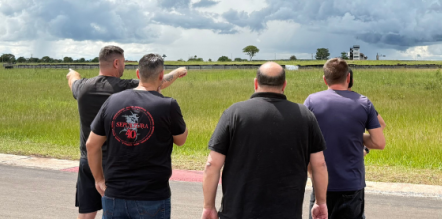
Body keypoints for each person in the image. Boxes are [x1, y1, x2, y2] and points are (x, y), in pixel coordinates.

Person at [67, 46, 187, 219]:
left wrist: (73, 74)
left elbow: (73, 83)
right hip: (114, 160)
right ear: (116, 63)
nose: (124, 66)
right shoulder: (123, 89)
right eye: (123, 62)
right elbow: (152, 85)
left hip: (88, 159)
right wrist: (177, 72)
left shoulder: (83, 87)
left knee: (87, 212)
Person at [202, 62, 329, 219]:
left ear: (256, 83)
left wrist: (209, 207)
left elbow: (212, 164)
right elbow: (319, 164)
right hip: (286, 213)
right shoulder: (305, 116)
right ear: (284, 85)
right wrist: (320, 202)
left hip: (238, 213)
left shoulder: (234, 113)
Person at [305, 59, 385, 219]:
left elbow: (305, 143)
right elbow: (379, 142)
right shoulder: (364, 103)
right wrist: (356, 137)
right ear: (348, 78)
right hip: (352, 184)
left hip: (321, 184)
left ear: (324, 79)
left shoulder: (311, 102)